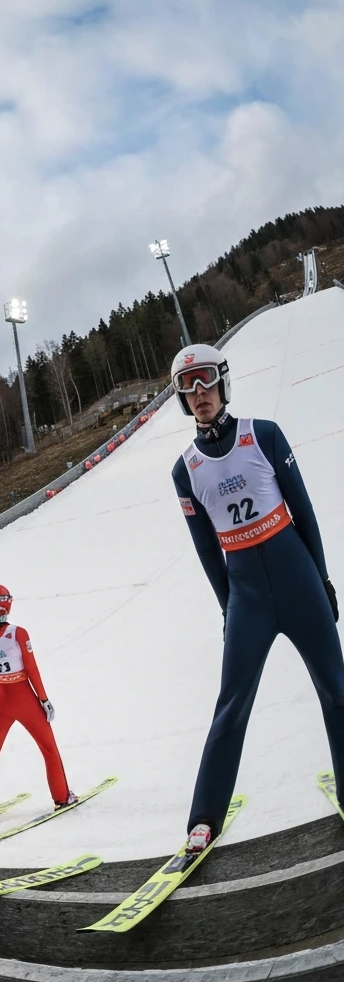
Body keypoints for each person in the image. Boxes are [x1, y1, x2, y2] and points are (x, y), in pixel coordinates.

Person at [170, 343, 343, 853]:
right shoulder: (185, 470)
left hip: (296, 575)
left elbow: (304, 511)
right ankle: (204, 818)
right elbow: (206, 551)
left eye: (206, 380)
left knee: (336, 688)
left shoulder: (263, 435)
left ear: (223, 382)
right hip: (246, 591)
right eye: (188, 386)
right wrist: (230, 608)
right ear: (182, 398)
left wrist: (323, 579)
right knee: (232, 703)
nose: (199, 393)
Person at [0, 584, 76, 818]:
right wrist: (44, 699)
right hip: (23, 695)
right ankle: (62, 796)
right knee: (49, 748)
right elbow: (32, 667)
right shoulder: (18, 633)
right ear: (8, 603)